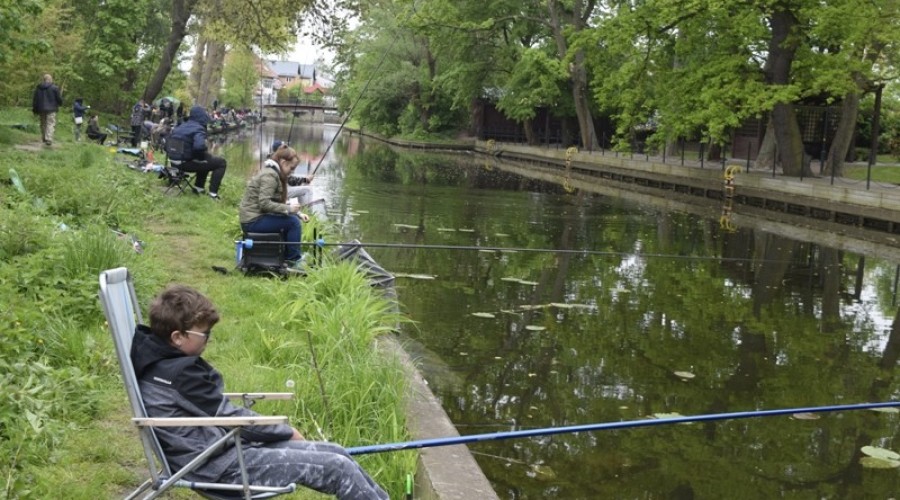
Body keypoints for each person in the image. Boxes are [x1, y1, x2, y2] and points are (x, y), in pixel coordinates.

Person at [130, 285, 388, 500]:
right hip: (219, 469)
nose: (209, 339)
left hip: (220, 452)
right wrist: (288, 431)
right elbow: (232, 418)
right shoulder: (179, 374)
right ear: (177, 337)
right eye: (205, 334)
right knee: (338, 468)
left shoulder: (157, 360)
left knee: (337, 452)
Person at [239, 146, 310, 267]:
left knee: (293, 219)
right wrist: (289, 210)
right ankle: (293, 260)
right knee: (293, 223)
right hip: (252, 221)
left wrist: (297, 213)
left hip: (255, 217)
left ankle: (289, 257)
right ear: (283, 162)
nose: (292, 172)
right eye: (291, 168)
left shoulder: (272, 172)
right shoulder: (270, 176)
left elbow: (275, 202)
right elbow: (264, 203)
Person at [167, 105, 227, 199]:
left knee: (206, 158)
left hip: (173, 162)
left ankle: (198, 188)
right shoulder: (198, 128)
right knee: (221, 162)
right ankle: (213, 194)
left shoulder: (180, 126)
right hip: (184, 164)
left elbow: (167, 144)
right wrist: (202, 156)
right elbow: (198, 147)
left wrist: (202, 156)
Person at [32, 74, 63, 146]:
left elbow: (35, 100)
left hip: (41, 109)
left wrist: (34, 109)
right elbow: (59, 98)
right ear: (50, 79)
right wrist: (60, 103)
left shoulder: (38, 88)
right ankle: (48, 138)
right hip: (51, 109)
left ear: (44, 80)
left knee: (43, 123)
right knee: (50, 123)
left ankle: (44, 137)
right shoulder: (54, 88)